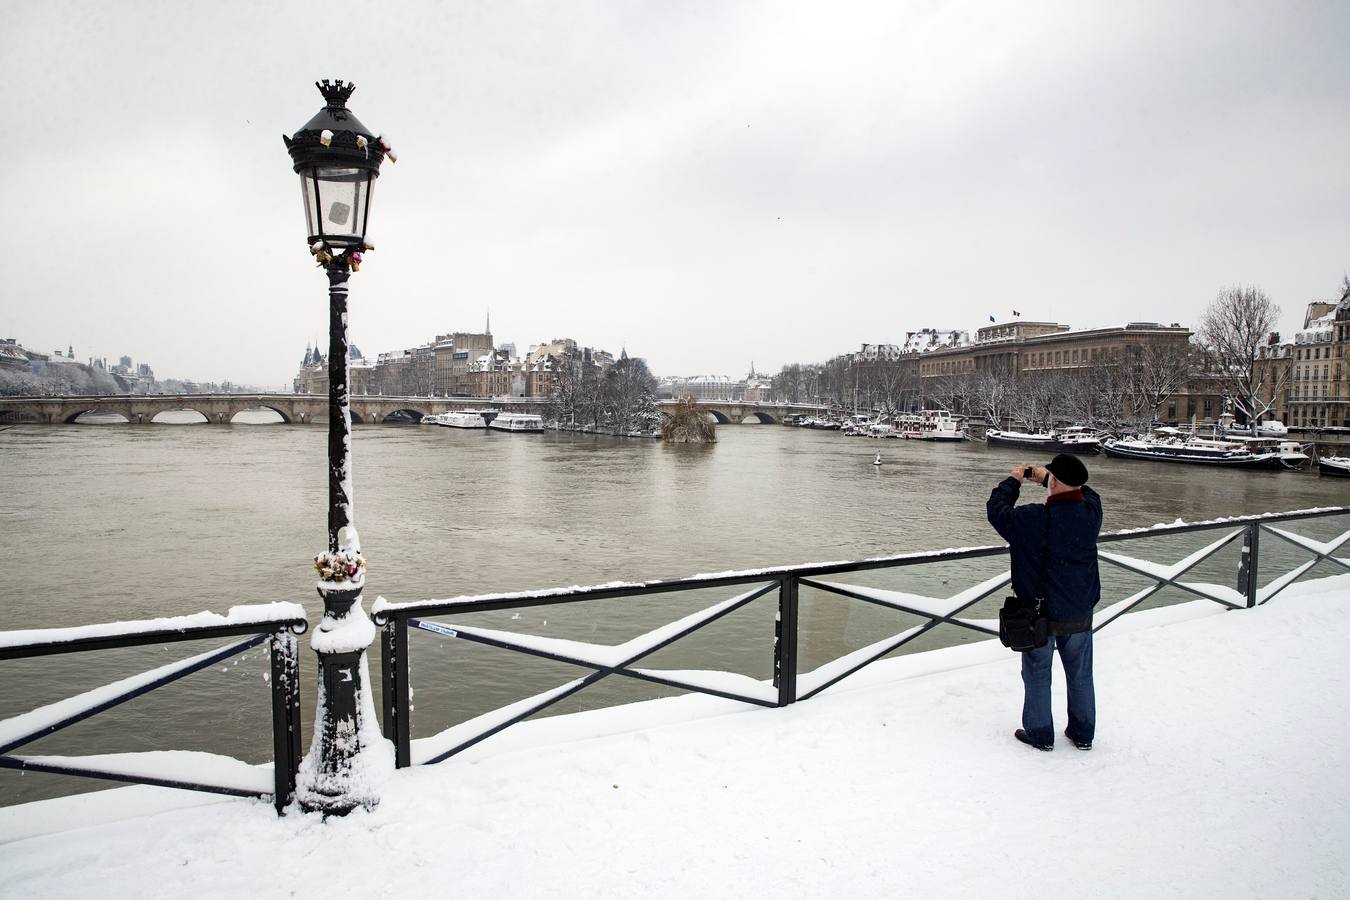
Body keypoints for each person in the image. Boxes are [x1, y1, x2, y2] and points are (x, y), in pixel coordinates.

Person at [986, 453, 1103, 752]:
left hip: (1040, 614)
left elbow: (997, 511)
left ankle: (1040, 734)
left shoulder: (1033, 519)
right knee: (1080, 675)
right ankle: (1083, 733)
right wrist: (1048, 479)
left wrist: (1015, 480)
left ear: (1056, 483)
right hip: (1079, 611)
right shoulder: (1092, 513)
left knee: (1037, 674)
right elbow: (1087, 492)